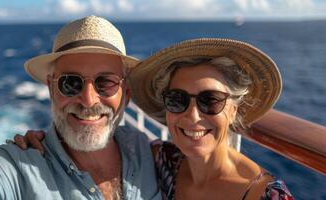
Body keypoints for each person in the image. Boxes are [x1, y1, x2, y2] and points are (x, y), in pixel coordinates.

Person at [15, 38, 294, 199]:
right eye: (177, 100)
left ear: (234, 108)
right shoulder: (162, 161)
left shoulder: (266, 196)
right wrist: (49, 141)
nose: (193, 115)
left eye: (210, 100)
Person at [0, 16, 161, 200]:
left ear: (126, 93)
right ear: (51, 89)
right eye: (71, 83)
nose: (88, 100)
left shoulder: (151, 154)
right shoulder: (21, 166)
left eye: (105, 83)